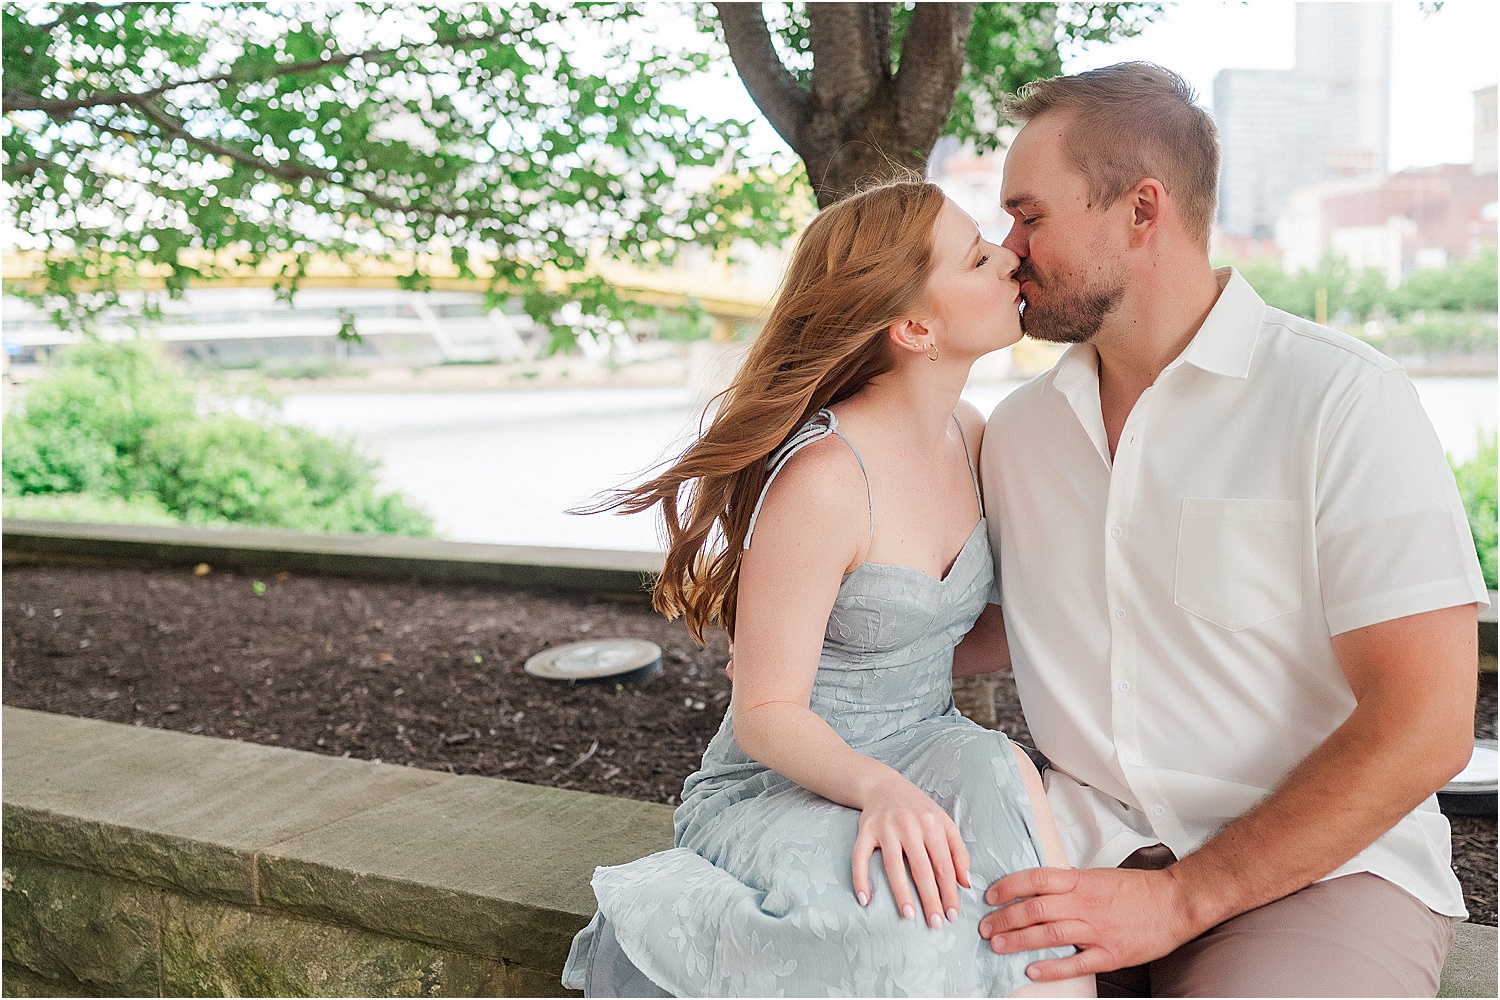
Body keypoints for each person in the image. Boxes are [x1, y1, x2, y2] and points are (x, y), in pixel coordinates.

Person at [969, 62, 1488, 997]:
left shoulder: (1340, 399)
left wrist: (1179, 901)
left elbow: (1428, 722)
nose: (1008, 250)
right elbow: (977, 622)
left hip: (1320, 873)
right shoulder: (1017, 434)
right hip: (1072, 850)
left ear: (1141, 211)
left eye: (1030, 216)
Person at [560, 180, 1095, 998]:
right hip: (788, 778)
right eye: (979, 257)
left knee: (1007, 810)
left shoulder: (970, 432)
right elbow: (767, 712)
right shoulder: (823, 480)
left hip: (929, 744)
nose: (1009, 256)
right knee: (911, 924)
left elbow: (962, 638)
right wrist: (880, 789)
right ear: (915, 327)